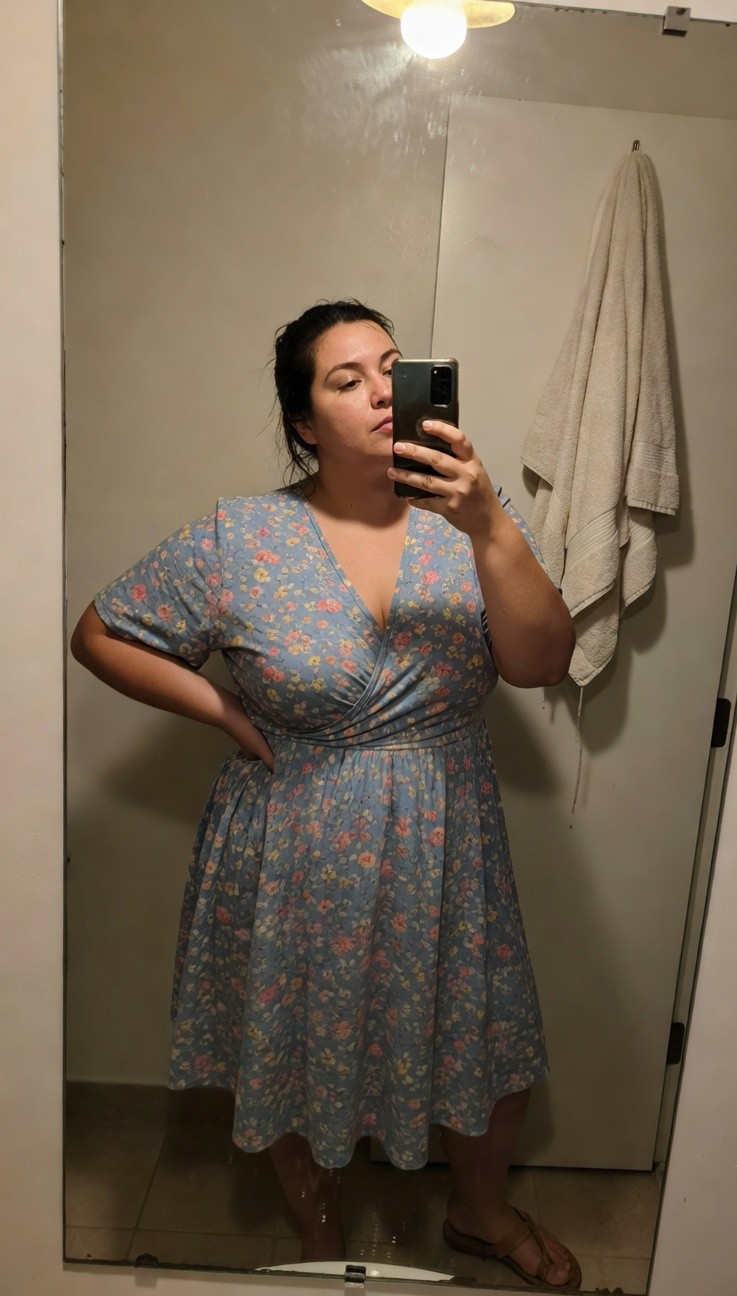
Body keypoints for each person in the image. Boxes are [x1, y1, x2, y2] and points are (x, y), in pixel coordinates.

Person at [71, 300, 579, 1288]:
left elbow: (542, 663)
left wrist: (488, 524)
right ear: (305, 422)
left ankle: (479, 1211)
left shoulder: (472, 519)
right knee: (293, 1042)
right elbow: (100, 633)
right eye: (348, 380)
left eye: (393, 367)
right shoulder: (240, 539)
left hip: (446, 835)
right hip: (294, 841)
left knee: (486, 1038)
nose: (383, 391)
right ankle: (317, 1237)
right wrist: (223, 711)